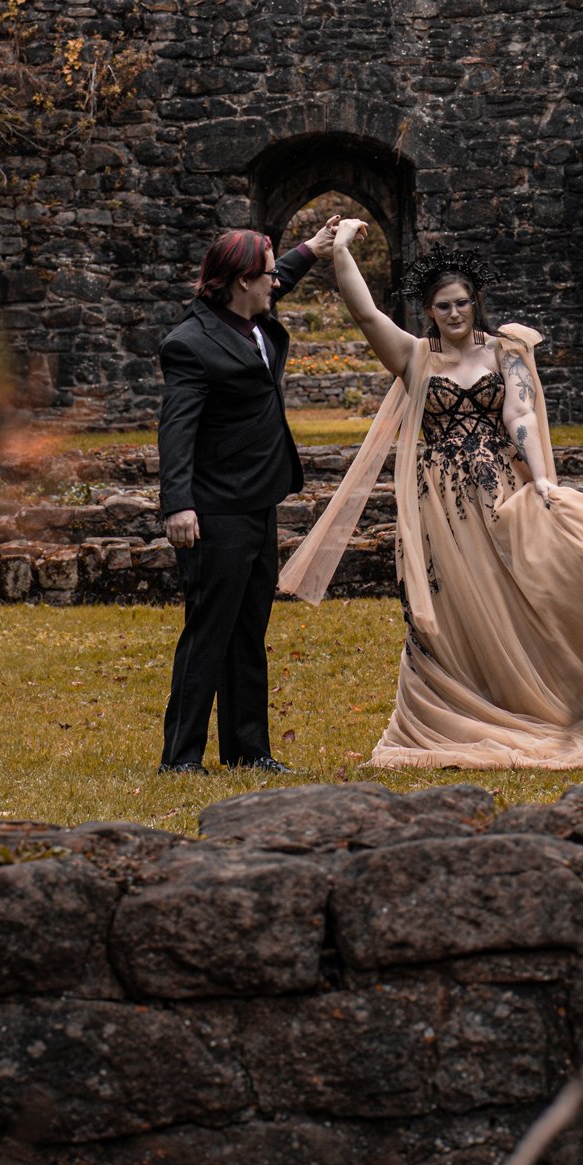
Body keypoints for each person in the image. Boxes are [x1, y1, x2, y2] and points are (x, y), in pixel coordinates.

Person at [279, 222, 583, 769]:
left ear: (476, 302)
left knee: (517, 596)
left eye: (463, 302)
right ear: (430, 311)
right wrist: (341, 251)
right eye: (443, 306)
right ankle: (461, 701)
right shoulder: (415, 357)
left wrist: (541, 478)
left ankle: (543, 697)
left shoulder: (506, 352)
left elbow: (520, 414)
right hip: (438, 505)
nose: (455, 313)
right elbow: (368, 315)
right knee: (452, 610)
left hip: (500, 494)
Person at [157, 217, 339, 774]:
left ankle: (247, 751)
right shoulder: (189, 344)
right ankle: (181, 758)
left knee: (248, 632)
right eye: (265, 276)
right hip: (215, 509)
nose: (274, 284)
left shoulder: (253, 313)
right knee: (209, 633)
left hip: (260, 499)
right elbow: (176, 428)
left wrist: (314, 248)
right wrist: (178, 504)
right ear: (240, 282)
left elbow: (281, 272)